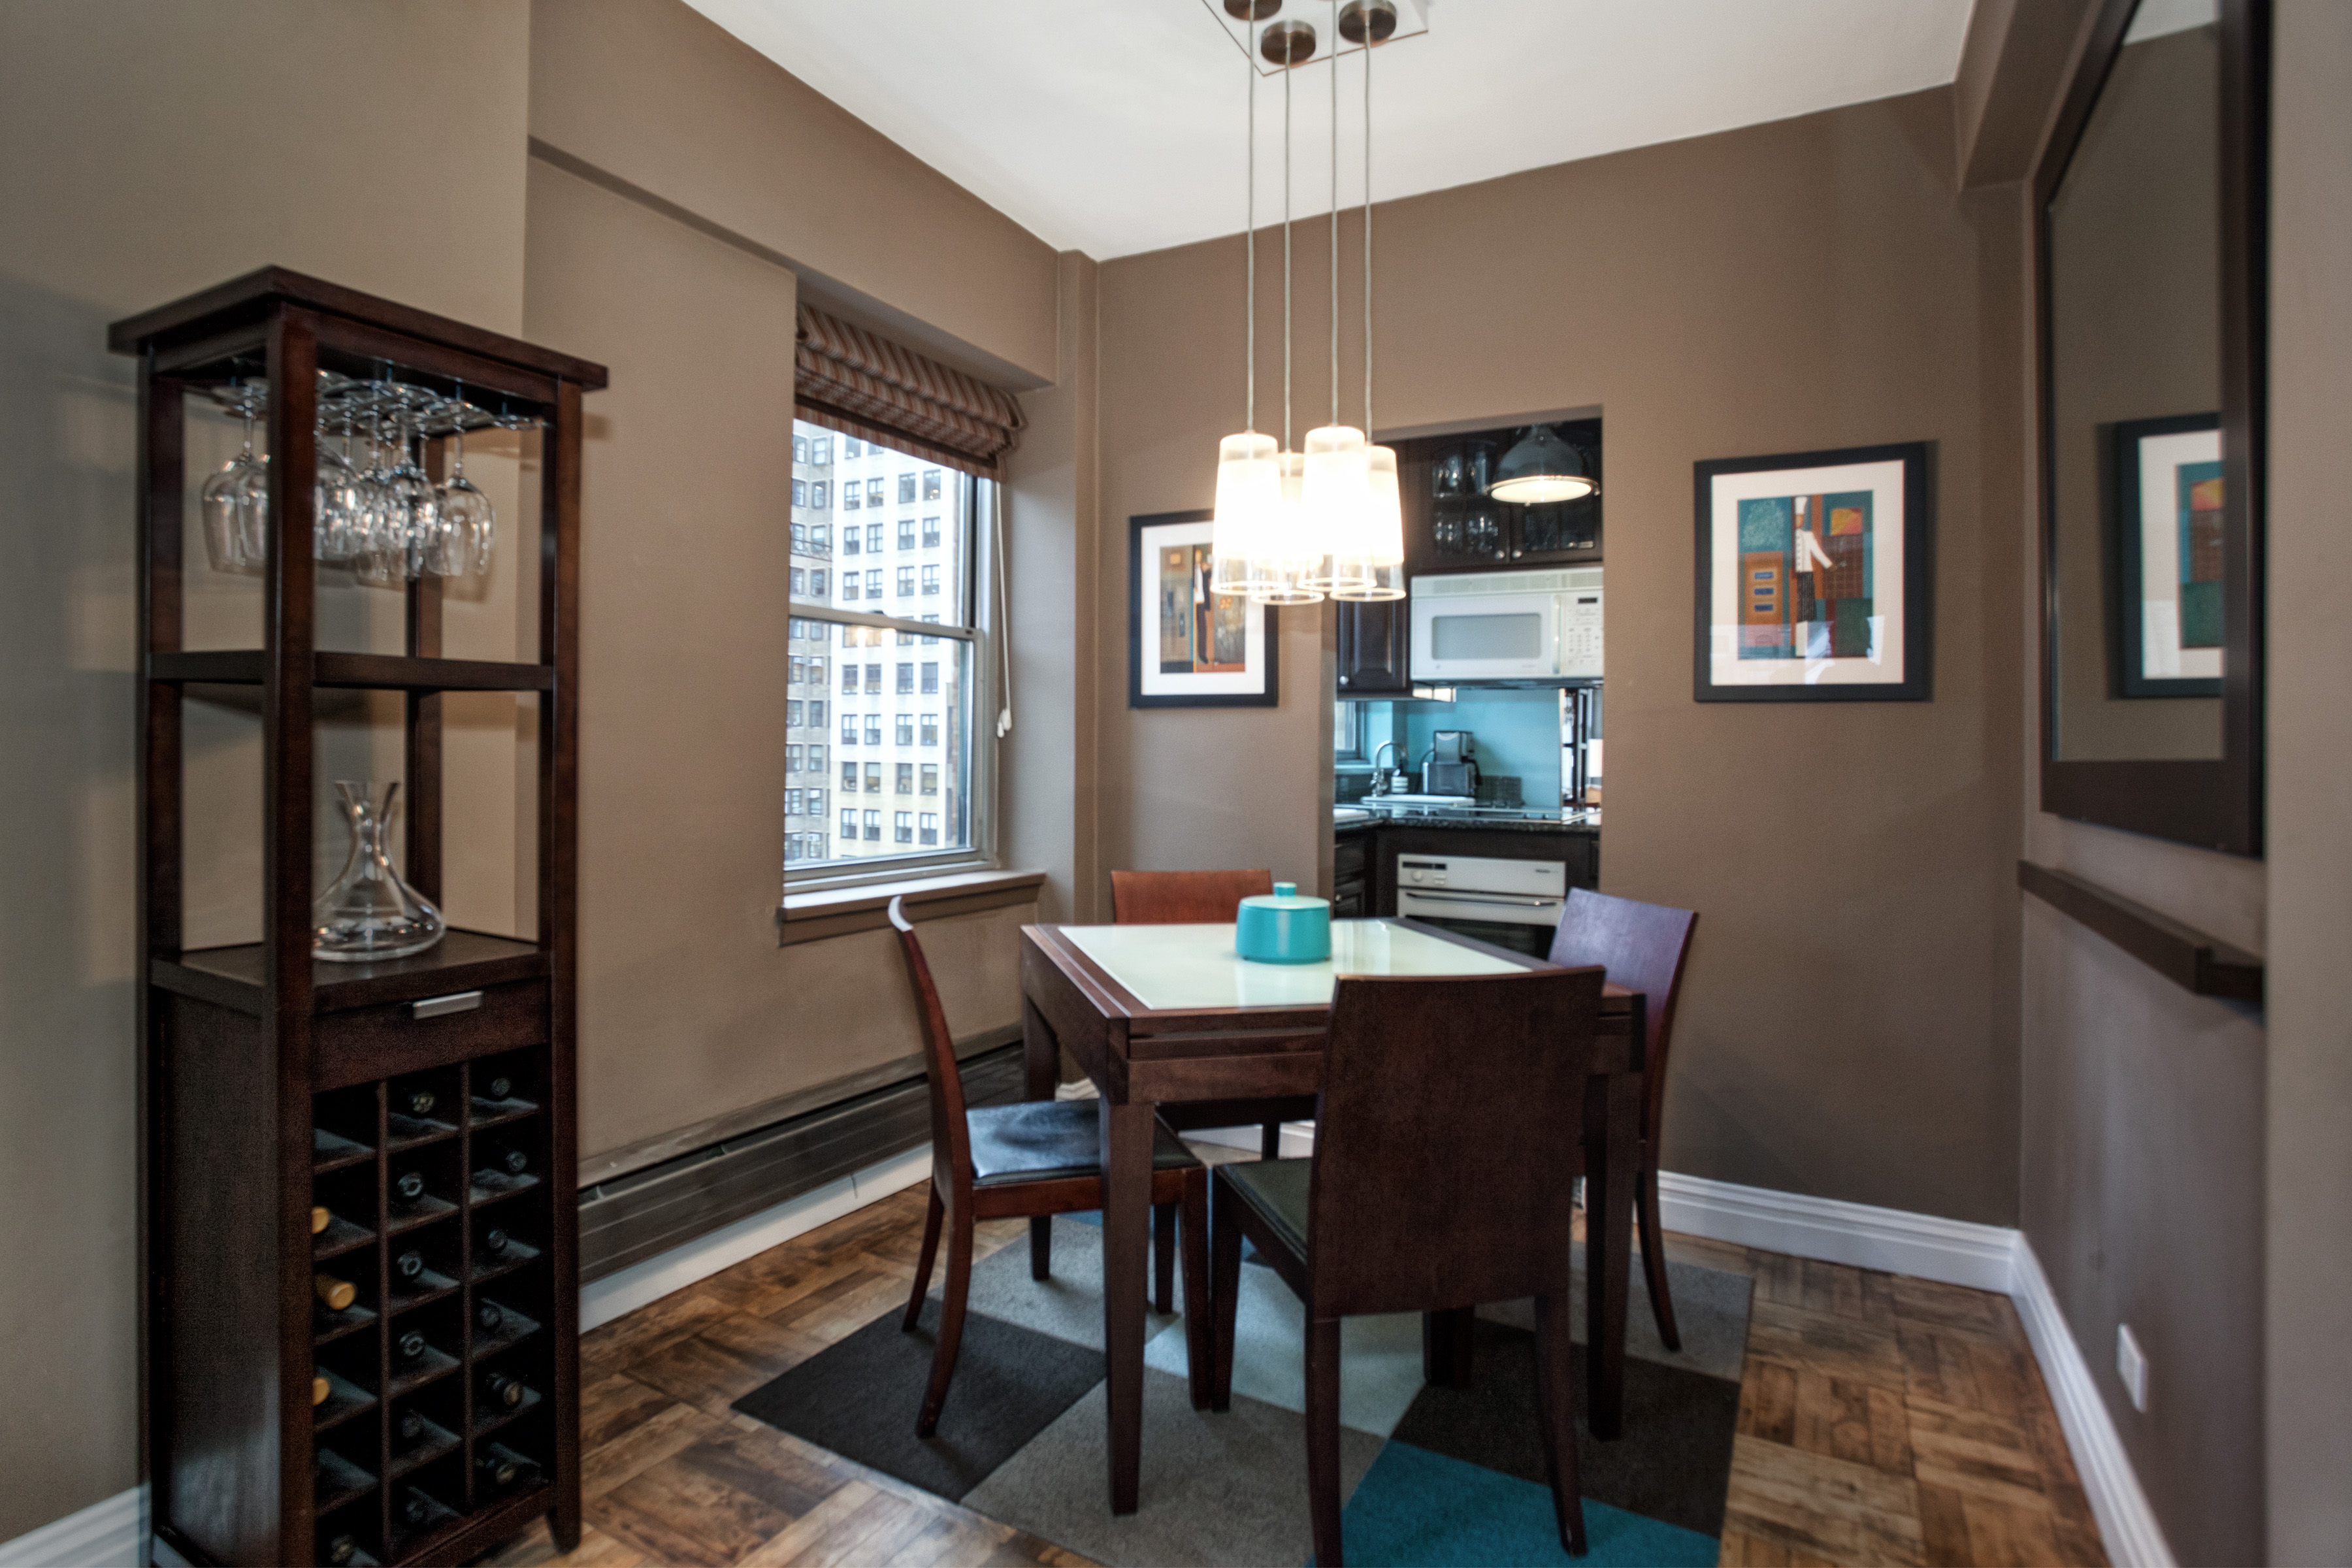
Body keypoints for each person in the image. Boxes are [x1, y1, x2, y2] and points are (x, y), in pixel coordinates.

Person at [1790, 495, 1837, 659]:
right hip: (1792, 579)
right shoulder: (1787, 539)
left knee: (1804, 615)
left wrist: (1829, 565)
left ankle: (1802, 651)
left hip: (1806, 577)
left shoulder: (1807, 536)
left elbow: (1817, 552)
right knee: (1792, 614)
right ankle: (1795, 648)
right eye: (1795, 518)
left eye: (1800, 517)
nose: (1798, 521)